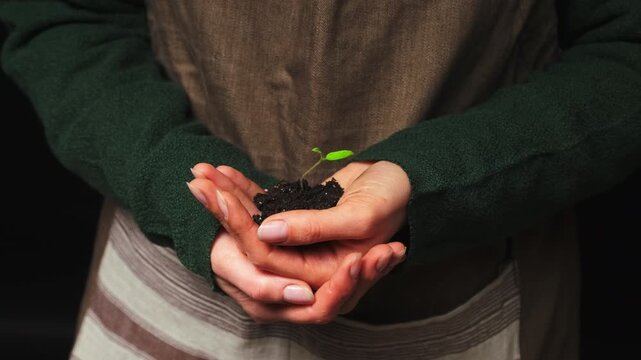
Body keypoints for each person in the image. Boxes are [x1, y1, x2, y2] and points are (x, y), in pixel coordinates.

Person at [1, 0, 640, 359]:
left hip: (463, 307)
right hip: (165, 295)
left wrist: (428, 181)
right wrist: (178, 186)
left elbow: (626, 50)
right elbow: (62, 18)